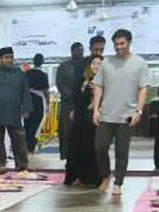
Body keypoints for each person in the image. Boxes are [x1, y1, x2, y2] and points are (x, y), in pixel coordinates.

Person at [92, 29, 151, 197]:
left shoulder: (139, 63)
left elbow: (143, 88)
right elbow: (98, 86)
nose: (118, 47)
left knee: (122, 151)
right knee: (100, 147)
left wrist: (138, 111)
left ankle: (118, 182)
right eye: (116, 44)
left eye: (122, 44)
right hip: (106, 114)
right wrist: (96, 110)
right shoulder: (106, 63)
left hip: (127, 115)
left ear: (129, 43)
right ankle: (105, 176)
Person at [63, 55, 104, 188]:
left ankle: (91, 178)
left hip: (96, 118)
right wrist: (84, 88)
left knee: (92, 147)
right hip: (81, 117)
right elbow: (76, 97)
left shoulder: (106, 81)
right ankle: (75, 176)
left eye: (99, 64)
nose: (96, 67)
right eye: (93, 64)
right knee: (76, 145)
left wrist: (96, 95)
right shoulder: (82, 79)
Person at [55, 43, 85, 160]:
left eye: (82, 50)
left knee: (82, 132)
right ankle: (66, 156)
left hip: (83, 103)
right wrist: (71, 96)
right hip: (67, 103)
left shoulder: (87, 65)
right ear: (72, 51)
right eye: (78, 50)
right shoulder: (64, 66)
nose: (80, 52)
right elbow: (60, 84)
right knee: (66, 131)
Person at [24, 54, 49, 153]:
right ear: (42, 62)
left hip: (27, 99)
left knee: (27, 123)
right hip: (38, 100)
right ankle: (31, 146)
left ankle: (25, 144)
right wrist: (47, 103)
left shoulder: (26, 73)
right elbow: (46, 91)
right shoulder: (43, 75)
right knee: (36, 123)